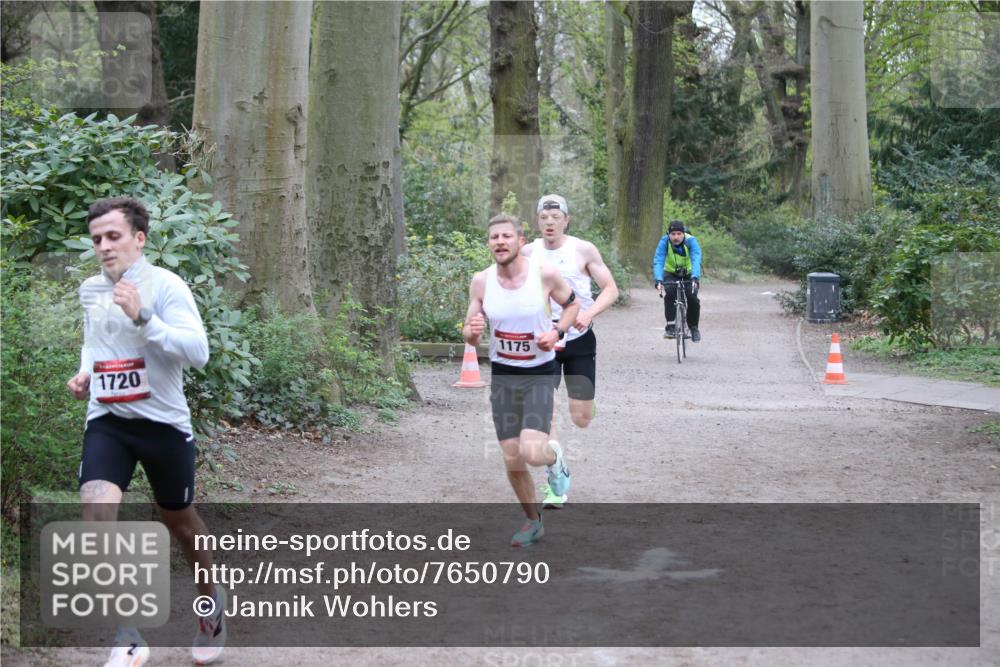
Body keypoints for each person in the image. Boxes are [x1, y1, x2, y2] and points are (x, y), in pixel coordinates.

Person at [66, 197, 225, 666]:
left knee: (180, 523)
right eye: (96, 239)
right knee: (96, 514)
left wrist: (144, 317)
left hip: (163, 424)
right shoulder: (91, 290)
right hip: (109, 421)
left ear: (139, 238)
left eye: (113, 236)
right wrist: (86, 373)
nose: (104, 246)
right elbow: (95, 344)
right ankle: (129, 635)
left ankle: (210, 606)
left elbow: (198, 352)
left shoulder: (167, 286)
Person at [463, 214, 579, 547]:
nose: (499, 242)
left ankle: (554, 460)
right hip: (504, 376)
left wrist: (556, 331)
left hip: (539, 374)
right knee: (512, 457)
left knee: (531, 451)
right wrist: (470, 334)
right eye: (493, 237)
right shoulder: (481, 281)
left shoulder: (544, 275)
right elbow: (470, 332)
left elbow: (572, 306)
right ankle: (532, 522)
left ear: (520, 240)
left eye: (505, 236)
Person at [522, 194, 619, 507]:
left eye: (556, 217)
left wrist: (589, 314)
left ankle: (587, 404)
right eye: (544, 217)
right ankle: (556, 484)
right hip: (544, 342)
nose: (550, 222)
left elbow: (610, 289)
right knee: (546, 412)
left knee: (581, 418)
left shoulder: (583, 249)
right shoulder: (527, 252)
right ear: (538, 221)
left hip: (579, 340)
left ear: (566, 219)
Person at [653, 220, 702, 342]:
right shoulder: (664, 242)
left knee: (692, 299)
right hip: (670, 273)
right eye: (673, 234)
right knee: (669, 294)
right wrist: (658, 279)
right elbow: (658, 260)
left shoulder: (691, 241)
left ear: (683, 233)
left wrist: (695, 277)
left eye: (679, 233)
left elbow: (696, 258)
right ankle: (670, 326)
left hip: (689, 274)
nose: (676, 237)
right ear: (668, 234)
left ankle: (694, 327)